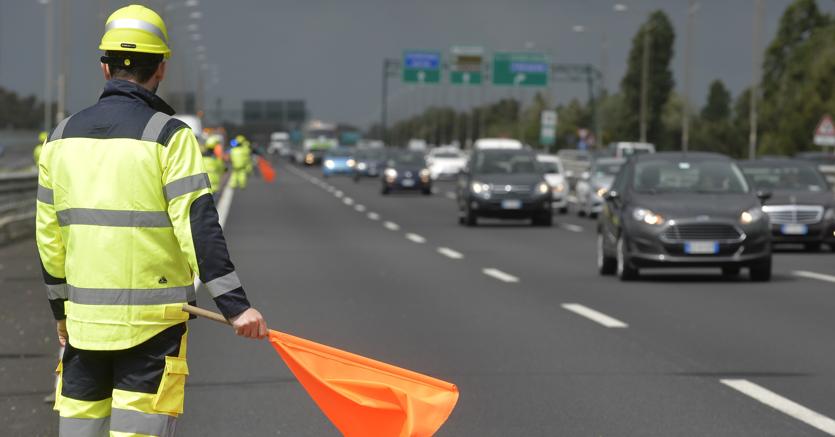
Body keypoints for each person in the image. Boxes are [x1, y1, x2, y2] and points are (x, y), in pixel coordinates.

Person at [35, 5, 267, 436]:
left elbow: (50, 241)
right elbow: (197, 225)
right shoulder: (168, 136)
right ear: (160, 68)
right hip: (153, 329)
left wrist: (60, 314)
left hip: (84, 329)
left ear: (105, 68)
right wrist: (234, 306)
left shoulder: (59, 139)